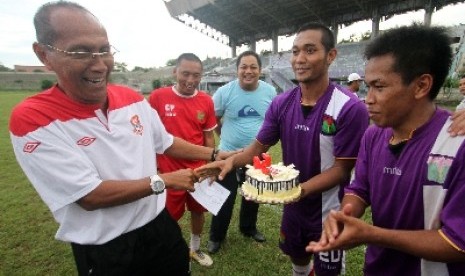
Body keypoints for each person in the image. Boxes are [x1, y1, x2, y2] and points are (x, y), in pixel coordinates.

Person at [9, 2, 227, 275]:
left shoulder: (131, 98)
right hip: (106, 245)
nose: (99, 64)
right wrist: (165, 181)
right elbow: (89, 195)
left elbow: (165, 141)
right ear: (44, 55)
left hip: (158, 225)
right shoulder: (33, 118)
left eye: (104, 49)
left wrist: (214, 155)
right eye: (81, 51)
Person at [197, 22, 369, 276]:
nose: (299, 59)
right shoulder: (282, 103)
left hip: (328, 209)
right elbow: (256, 148)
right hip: (293, 206)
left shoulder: (349, 107)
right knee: (298, 261)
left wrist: (297, 191)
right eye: (295, 51)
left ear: (331, 55)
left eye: (310, 50)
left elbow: (342, 170)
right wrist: (230, 162)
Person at [306, 25, 465, 275]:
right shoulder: (373, 135)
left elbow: (458, 243)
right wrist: (345, 215)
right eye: (367, 87)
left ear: (421, 85)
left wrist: (374, 235)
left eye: (379, 87)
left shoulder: (457, 143)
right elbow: (359, 189)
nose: (368, 98)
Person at [148, 53, 216, 267]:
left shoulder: (206, 100)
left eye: (196, 75)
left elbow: (207, 136)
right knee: (168, 217)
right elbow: (148, 136)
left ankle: (194, 249)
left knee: (198, 211)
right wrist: (153, 166)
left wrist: (211, 166)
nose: (190, 80)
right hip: (169, 173)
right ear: (175, 72)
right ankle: (170, 252)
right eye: (185, 73)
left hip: (198, 171)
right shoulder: (158, 97)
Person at [207, 50, 277, 254]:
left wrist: (261, 146)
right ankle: (216, 236)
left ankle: (248, 228)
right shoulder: (223, 92)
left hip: (257, 156)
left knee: (253, 195)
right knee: (224, 197)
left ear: (260, 70)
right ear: (237, 70)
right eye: (243, 67)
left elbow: (271, 123)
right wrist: (227, 143)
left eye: (253, 67)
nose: (248, 71)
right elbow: (214, 121)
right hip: (228, 154)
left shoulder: (269, 92)